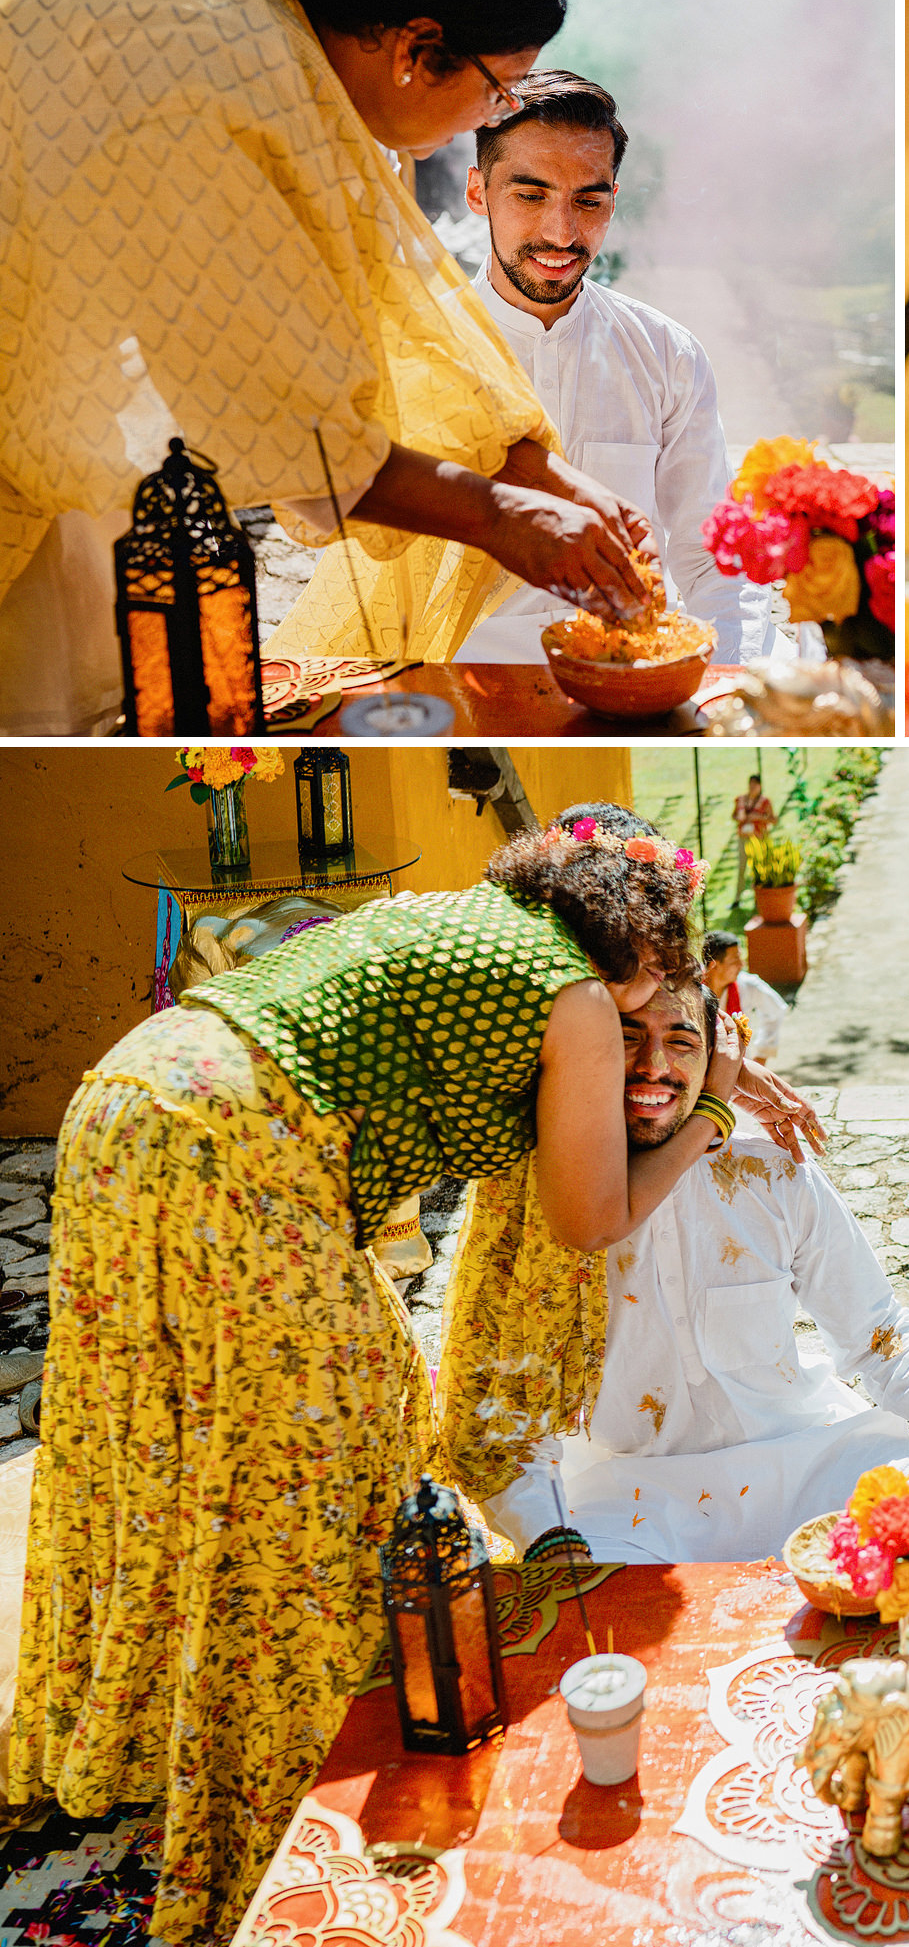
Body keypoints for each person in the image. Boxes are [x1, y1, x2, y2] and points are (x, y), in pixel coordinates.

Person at [5, 819, 757, 1943]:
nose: (659, 1002)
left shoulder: (465, 920)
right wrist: (709, 1114)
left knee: (161, 1432)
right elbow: (589, 1214)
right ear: (638, 942)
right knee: (324, 1458)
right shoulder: (582, 999)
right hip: (237, 1143)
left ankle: (133, 1716)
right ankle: (284, 1765)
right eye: (662, 966)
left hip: (123, 1098)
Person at [0, 0, 665, 733]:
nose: (485, 120)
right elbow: (287, 421)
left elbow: (384, 315)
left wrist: (534, 472)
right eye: (495, 89)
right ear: (417, 50)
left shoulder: (271, 35)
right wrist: (504, 512)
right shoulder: (234, 82)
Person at [440, 975, 909, 1565]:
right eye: (628, 1038)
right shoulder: (551, 1204)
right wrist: (551, 1539)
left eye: (682, 1042)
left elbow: (879, 1338)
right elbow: (500, 1413)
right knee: (590, 1598)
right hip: (637, 1504)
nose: (654, 1065)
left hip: (812, 1470)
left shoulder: (771, 1171)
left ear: (717, 1066)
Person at [447, 72, 774, 666]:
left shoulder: (667, 355)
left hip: (630, 671)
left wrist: (725, 680)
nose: (561, 232)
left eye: (588, 202)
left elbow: (713, 559)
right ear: (477, 192)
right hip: (465, 670)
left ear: (614, 201)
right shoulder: (425, 350)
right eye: (530, 195)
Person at [702, 929, 788, 1064]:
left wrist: (762, 1054)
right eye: (735, 960)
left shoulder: (747, 985)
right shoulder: (691, 989)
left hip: (739, 1065)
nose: (741, 965)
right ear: (714, 965)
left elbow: (776, 1010)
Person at [733, 772, 778, 899]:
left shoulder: (765, 802)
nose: (752, 787)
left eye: (755, 784)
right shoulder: (741, 799)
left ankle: (760, 897)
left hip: (758, 838)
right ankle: (738, 897)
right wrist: (740, 817)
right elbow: (734, 815)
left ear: (760, 786)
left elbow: (773, 820)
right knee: (742, 867)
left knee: (758, 868)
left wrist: (758, 817)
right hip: (743, 837)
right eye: (751, 784)